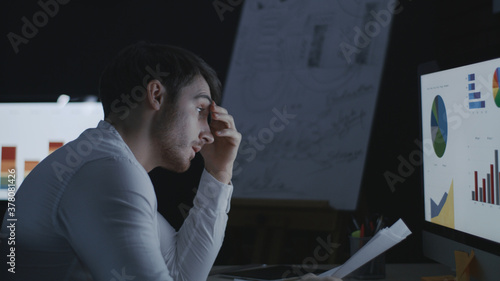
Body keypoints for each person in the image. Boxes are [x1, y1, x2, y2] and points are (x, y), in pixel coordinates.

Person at [0, 42, 340, 281]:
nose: (209, 133)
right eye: (200, 110)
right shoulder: (105, 170)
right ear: (157, 95)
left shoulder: (104, 161)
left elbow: (182, 274)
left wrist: (218, 173)